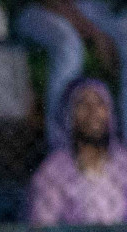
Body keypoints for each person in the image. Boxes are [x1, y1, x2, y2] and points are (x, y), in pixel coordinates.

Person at [23, 77, 127, 232]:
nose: (92, 112)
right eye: (83, 104)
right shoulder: (52, 172)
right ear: (68, 116)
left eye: (100, 103)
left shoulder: (123, 166)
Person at [16, 1, 127, 152]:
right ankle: (59, 146)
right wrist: (94, 33)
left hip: (96, 11)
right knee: (69, 45)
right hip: (41, 9)